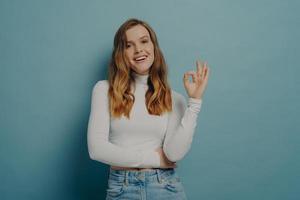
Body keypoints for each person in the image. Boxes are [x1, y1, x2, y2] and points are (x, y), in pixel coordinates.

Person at [87, 18, 210, 200]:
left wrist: (194, 102)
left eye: (144, 41)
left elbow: (174, 153)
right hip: (122, 188)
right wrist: (156, 160)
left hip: (166, 187)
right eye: (129, 45)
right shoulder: (104, 90)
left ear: (153, 46)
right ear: (121, 53)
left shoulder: (174, 98)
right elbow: (96, 149)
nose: (138, 50)